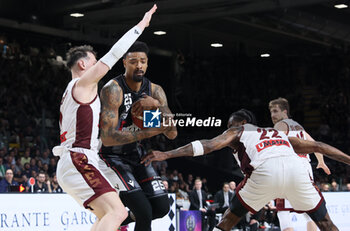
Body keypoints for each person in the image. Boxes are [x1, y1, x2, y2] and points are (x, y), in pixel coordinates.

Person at [141, 109, 350, 231]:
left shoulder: (239, 130)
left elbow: (209, 145)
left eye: (230, 124)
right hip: (296, 171)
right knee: (324, 222)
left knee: (230, 217)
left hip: (265, 172)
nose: (227, 128)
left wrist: (168, 154)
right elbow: (319, 147)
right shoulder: (278, 134)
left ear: (242, 123)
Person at [51, 5, 157, 231]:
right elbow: (114, 54)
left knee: (108, 215)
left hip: (78, 159)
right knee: (117, 212)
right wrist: (141, 26)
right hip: (79, 159)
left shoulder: (74, 90)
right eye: (93, 61)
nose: (98, 64)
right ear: (82, 64)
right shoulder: (83, 84)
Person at [98, 40, 177, 231]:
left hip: (135, 154)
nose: (139, 65)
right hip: (110, 156)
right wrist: (154, 129)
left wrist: (157, 105)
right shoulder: (113, 89)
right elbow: (108, 138)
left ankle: (117, 222)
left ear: (148, 63)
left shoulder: (154, 91)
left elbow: (172, 133)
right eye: (133, 61)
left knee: (161, 207)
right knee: (144, 212)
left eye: (142, 61)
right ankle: (116, 220)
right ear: (124, 62)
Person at [269, 97, 330, 231]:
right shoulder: (298, 127)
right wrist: (321, 161)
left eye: (275, 111)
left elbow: (273, 149)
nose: (272, 115)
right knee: (309, 212)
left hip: (290, 167)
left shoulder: (280, 125)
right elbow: (315, 145)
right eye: (271, 112)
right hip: (305, 167)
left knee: (283, 212)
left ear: (285, 112)